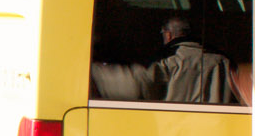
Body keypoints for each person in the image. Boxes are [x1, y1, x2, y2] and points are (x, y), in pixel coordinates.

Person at [93, 15, 238, 105]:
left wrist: (97, 72)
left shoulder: (168, 62)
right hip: (216, 135)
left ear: (168, 35)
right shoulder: (223, 62)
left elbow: (139, 85)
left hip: (178, 135)